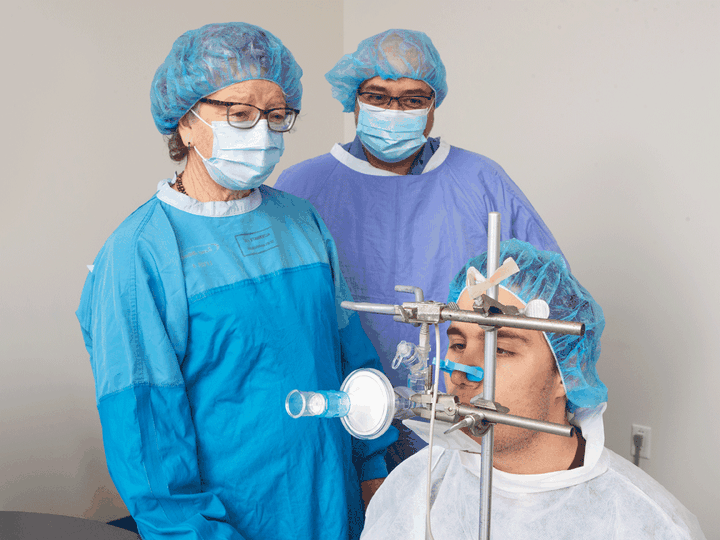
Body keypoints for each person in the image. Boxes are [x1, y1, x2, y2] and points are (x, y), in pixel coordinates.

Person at [76, 22, 395, 540]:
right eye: (240, 113)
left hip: (332, 503)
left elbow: (347, 351)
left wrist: (371, 467)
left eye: (275, 115)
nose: (263, 132)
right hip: (230, 520)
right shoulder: (141, 254)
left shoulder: (301, 221)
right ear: (186, 123)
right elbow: (146, 437)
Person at [274, 29, 565, 469]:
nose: (394, 111)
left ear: (433, 106)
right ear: (353, 100)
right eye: (378, 96)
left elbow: (549, 299)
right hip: (338, 402)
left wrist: (562, 404)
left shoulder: (480, 180)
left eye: (412, 99)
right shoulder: (302, 187)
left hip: (458, 407)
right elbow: (284, 312)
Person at [360, 239, 707, 540]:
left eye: (501, 349)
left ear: (564, 374)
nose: (466, 372)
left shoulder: (650, 525)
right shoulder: (413, 489)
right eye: (458, 344)